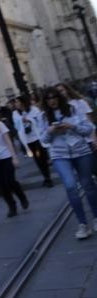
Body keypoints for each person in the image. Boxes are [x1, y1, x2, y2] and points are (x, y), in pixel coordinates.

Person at [40, 88, 97, 239]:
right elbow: (44, 140)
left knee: (88, 185)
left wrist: (71, 126)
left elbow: (88, 129)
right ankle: (83, 224)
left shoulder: (73, 109)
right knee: (71, 186)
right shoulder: (44, 116)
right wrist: (51, 130)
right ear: (45, 101)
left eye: (54, 97)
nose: (52, 100)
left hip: (81, 151)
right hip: (59, 155)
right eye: (48, 98)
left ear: (59, 98)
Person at [13, 95, 53, 187]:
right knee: (36, 159)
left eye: (17, 102)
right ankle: (45, 176)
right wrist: (21, 121)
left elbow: (40, 121)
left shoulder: (33, 109)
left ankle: (48, 177)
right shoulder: (15, 113)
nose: (16, 104)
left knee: (41, 158)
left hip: (37, 138)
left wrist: (30, 120)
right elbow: (16, 126)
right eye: (15, 102)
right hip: (27, 140)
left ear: (22, 102)